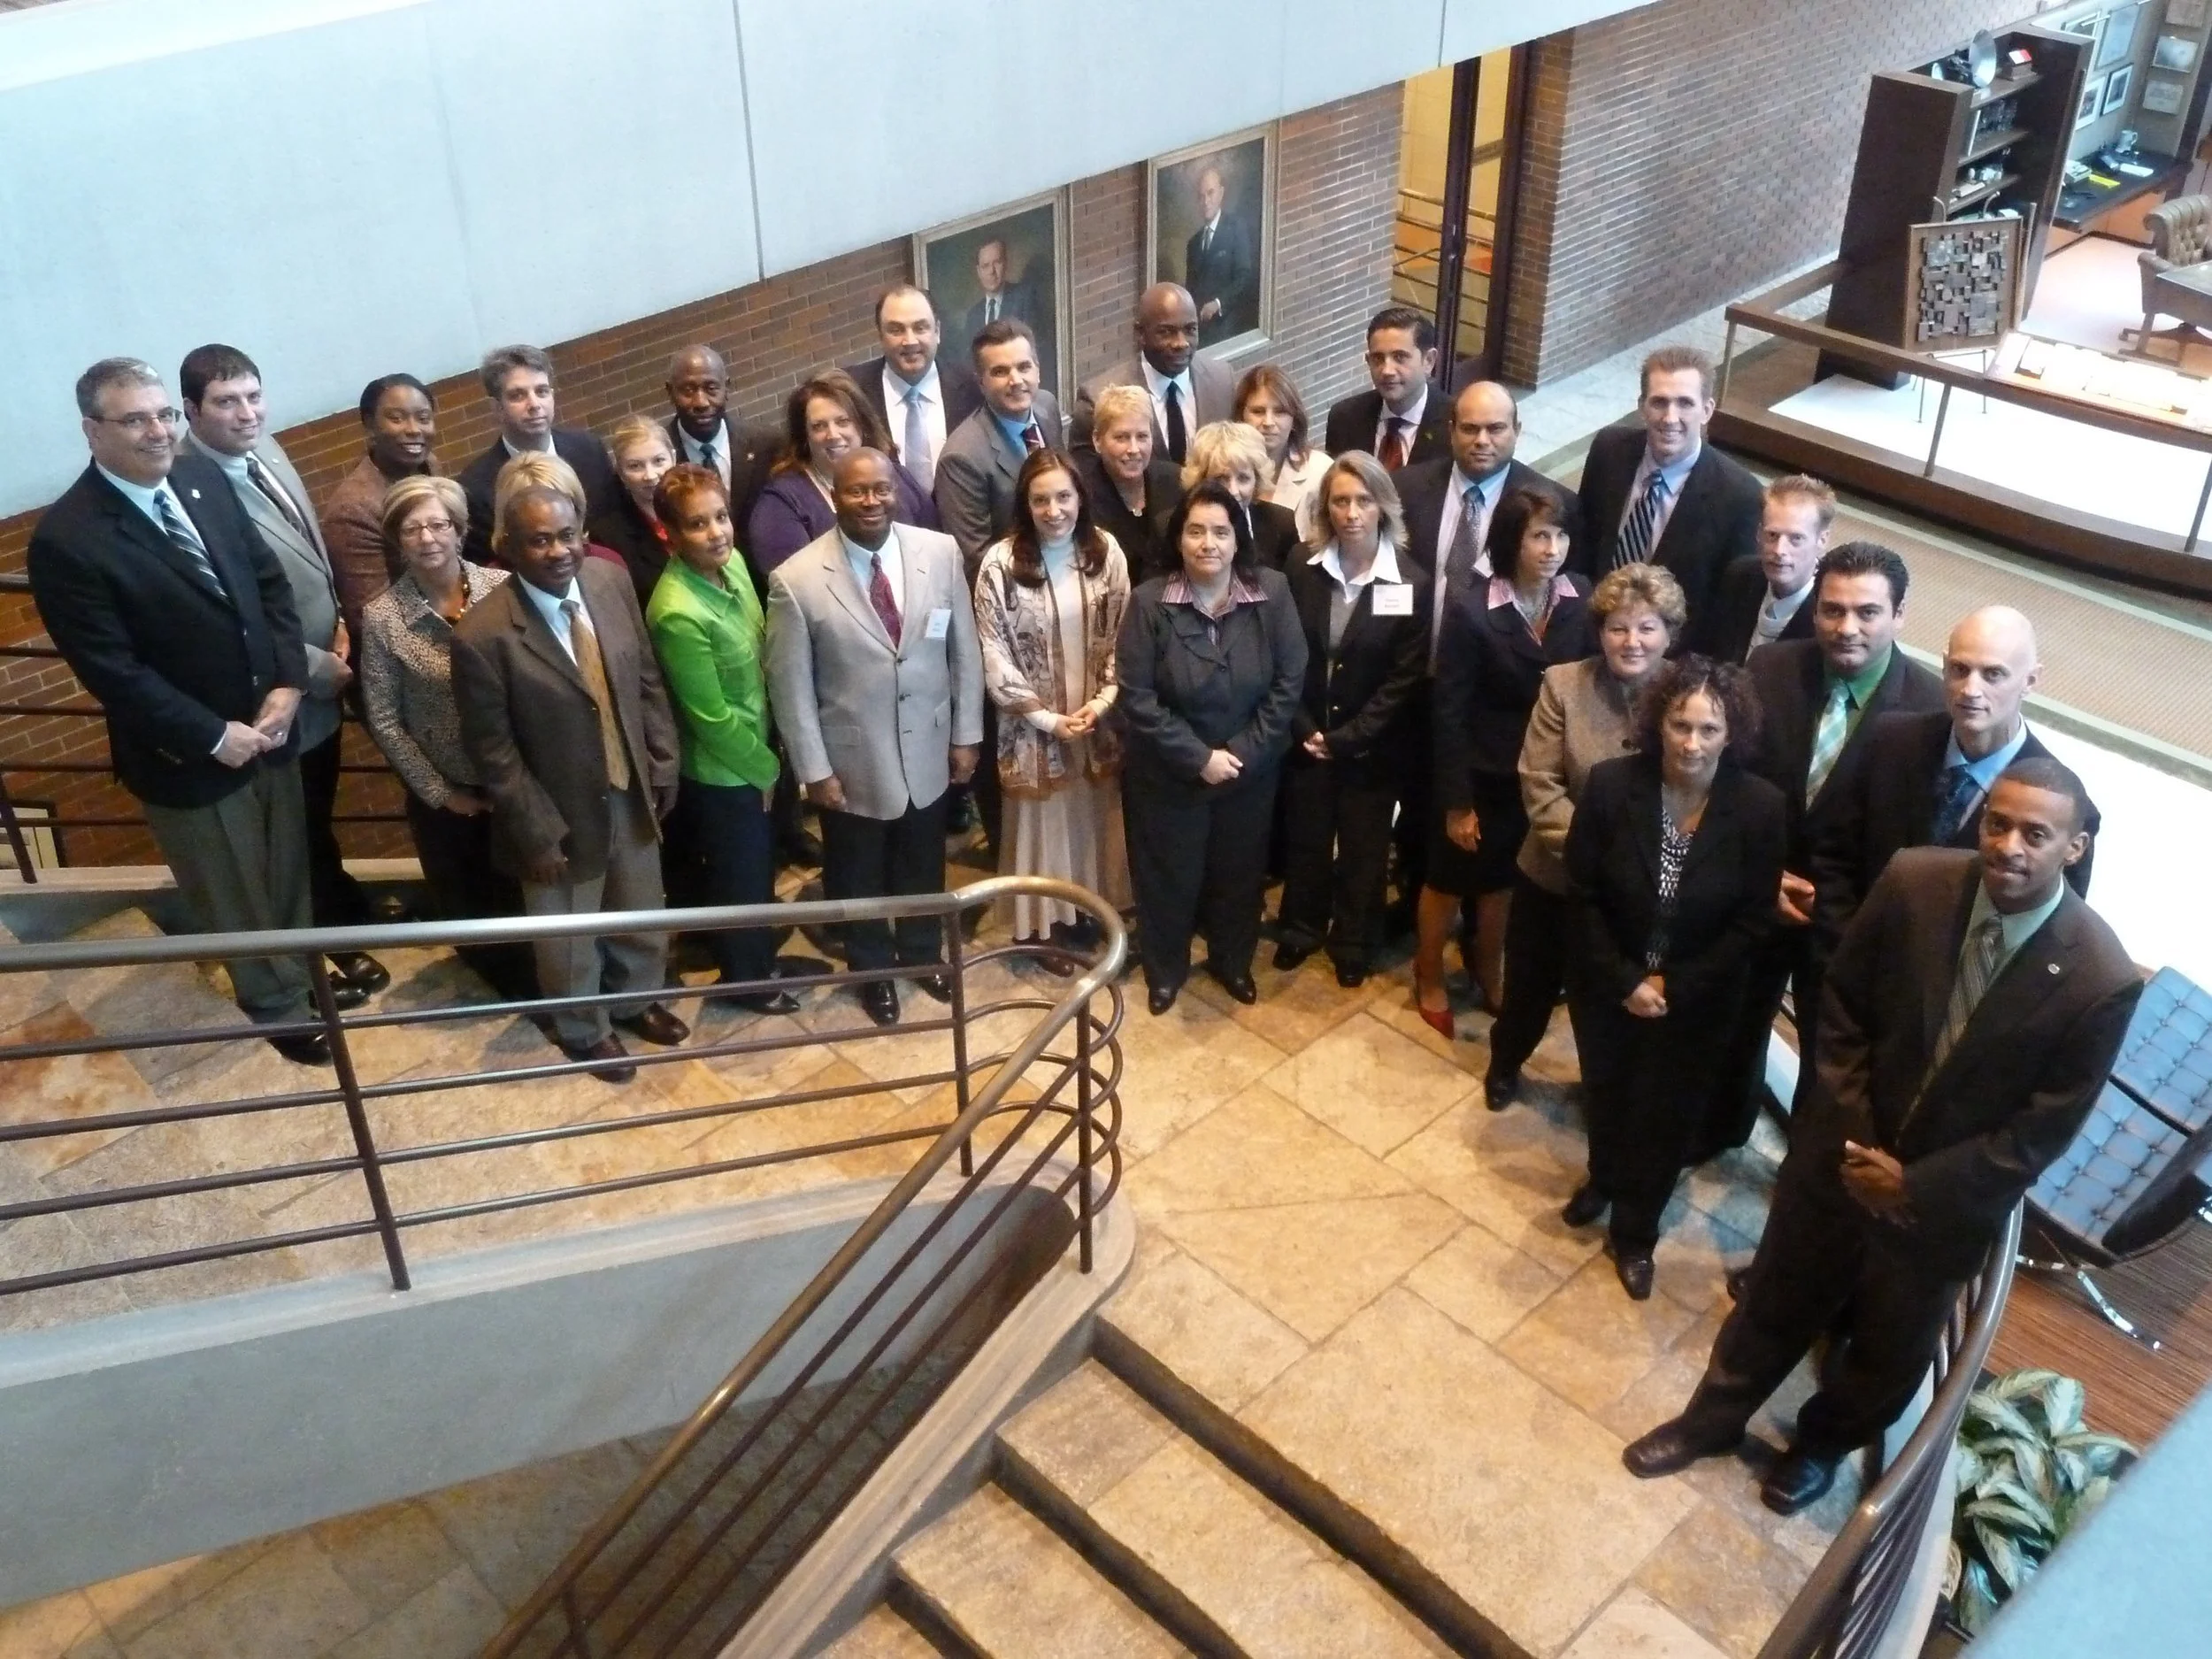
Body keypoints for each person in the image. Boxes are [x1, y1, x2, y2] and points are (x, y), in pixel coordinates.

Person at [1624, 758, 2139, 1515]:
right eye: (1998, 822)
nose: (2009, 845)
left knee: (1886, 1349)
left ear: (2076, 846)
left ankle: (1820, 1447)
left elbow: (2042, 1126)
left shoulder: (2101, 977)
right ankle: (1711, 1420)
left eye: (2037, 833)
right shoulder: (1914, 882)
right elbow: (1844, 1011)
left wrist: (1913, 1184)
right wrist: (1857, 1146)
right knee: (1774, 1299)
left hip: (1936, 1210)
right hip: (1840, 1160)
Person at [28, 358, 333, 1064]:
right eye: (135, 418)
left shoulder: (199, 480)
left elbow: (268, 587)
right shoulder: (68, 540)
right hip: (191, 755)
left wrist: (288, 686)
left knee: (286, 867)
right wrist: (209, 734)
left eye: (164, 414)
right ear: (92, 430)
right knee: (234, 889)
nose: (158, 430)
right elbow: (112, 670)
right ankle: (275, 1005)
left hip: (271, 724)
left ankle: (299, 974)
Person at [1563, 657, 1787, 1298]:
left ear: (1731, 734)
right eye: (1680, 724)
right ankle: (1602, 1178)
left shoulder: (1761, 808)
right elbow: (1581, 896)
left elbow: (1752, 922)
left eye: (1709, 730)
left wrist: (1672, 986)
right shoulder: (1610, 786)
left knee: (1665, 1118)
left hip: (1698, 1001)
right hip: (1609, 986)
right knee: (1606, 1092)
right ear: (1657, 721)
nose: (1692, 743)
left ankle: (1635, 1231)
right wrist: (1626, 979)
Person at [451, 484, 688, 1082]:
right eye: (539, 539)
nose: (558, 550)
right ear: (508, 546)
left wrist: (660, 761)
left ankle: (636, 999)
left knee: (640, 908)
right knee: (570, 938)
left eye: (566, 535)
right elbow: (495, 752)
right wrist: (534, 833)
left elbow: (645, 678)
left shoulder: (609, 585)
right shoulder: (483, 636)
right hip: (556, 813)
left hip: (629, 783)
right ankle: (585, 1029)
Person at [1715, 542, 1944, 1154]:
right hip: (1760, 900)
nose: (1847, 628)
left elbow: (1918, 839)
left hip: (1849, 930)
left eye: (1867, 612)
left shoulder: (1931, 708)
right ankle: (1716, 1133)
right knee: (1732, 1031)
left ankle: (1802, 1172)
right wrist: (1762, 878)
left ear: (1900, 615)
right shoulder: (1769, 669)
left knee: (1827, 1069)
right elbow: (1732, 785)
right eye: (1832, 610)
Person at [178, 342, 388, 999]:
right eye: (226, 402)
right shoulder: (188, 484)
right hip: (282, 686)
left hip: (330, 660)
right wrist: (315, 665)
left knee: (317, 811)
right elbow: (230, 611)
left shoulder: (266, 449)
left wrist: (344, 623)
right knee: (290, 828)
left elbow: (305, 552)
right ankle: (321, 939)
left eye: (253, 396)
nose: (247, 413)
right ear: (191, 411)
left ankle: (339, 909)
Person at [764, 449, 985, 1026]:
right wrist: (815, 769)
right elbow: (791, 689)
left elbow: (964, 647)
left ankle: (920, 954)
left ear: (895, 490)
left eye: (880, 489)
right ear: (835, 496)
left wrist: (967, 733)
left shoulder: (938, 553)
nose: (871, 501)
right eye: (857, 491)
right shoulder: (797, 581)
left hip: (930, 747)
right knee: (857, 873)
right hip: (851, 760)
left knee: (923, 862)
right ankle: (871, 970)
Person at [1486, 564, 1685, 1111]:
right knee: (1528, 990)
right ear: (1600, 631)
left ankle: (1603, 1093)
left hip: (1636, 900)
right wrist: (1604, 860)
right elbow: (1540, 783)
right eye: (1618, 627)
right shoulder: (1564, 684)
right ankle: (1505, 1066)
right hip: (1553, 878)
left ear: (1669, 634)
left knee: (1607, 1005)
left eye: (1647, 628)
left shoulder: (1686, 697)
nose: (1632, 641)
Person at [1810, 605, 2097, 966]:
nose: (1970, 690)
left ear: (2030, 681)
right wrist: (1843, 955)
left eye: (1993, 675)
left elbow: (2048, 928)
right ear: (1944, 665)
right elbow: (1834, 856)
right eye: (1960, 670)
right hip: (1847, 967)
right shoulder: (1889, 741)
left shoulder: (2060, 804)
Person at [1117, 480, 1306, 1014]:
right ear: (1178, 539)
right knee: (1167, 878)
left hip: (1249, 773)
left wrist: (1241, 754)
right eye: (1196, 531)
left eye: (1220, 532)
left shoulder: (1272, 592)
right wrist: (1199, 758)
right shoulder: (1149, 602)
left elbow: (1290, 680)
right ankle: (1165, 970)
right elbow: (1137, 697)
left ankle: (1232, 961)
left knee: (1239, 875)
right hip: (1169, 775)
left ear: (1237, 539)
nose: (1208, 543)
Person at [1419, 488, 1594, 1032]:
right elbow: (1447, 711)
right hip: (1481, 775)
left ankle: (1489, 971)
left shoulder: (1580, 597)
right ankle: (1427, 976)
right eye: (1539, 535)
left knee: (1505, 882)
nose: (1552, 548)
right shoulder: (1474, 611)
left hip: (1539, 777)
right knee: (1448, 881)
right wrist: (1456, 803)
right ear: (1512, 539)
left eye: (1560, 535)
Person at [357, 476, 537, 1002]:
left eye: (438, 524)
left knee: (536, 893)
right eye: (412, 529)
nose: (428, 537)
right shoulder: (384, 619)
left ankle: (555, 985)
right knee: (479, 906)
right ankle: (517, 992)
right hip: (454, 798)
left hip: (519, 779)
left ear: (459, 531)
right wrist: (442, 795)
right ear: (397, 540)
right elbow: (386, 719)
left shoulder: (503, 588)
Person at [644, 464, 799, 1014]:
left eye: (720, 517)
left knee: (759, 872)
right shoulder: (676, 612)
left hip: (762, 750)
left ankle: (756, 952)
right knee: (740, 879)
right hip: (727, 771)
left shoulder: (731, 565)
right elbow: (708, 718)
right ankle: (748, 983)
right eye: (697, 525)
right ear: (670, 533)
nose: (716, 533)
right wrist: (765, 770)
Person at [972, 450, 1133, 966]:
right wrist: (1045, 718)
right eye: (1040, 499)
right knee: (1046, 825)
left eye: (1064, 496)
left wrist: (1102, 701)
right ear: (1025, 504)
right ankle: (1043, 927)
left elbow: (1123, 633)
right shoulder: (999, 564)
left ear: (1080, 498)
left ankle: (1089, 910)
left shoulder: (1105, 550)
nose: (1054, 509)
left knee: (1091, 818)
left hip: (1095, 718)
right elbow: (992, 650)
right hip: (1034, 727)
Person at [1274, 453, 1427, 986]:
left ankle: (1353, 942)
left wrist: (1348, 738)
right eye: (1341, 500)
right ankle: (1300, 929)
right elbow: (1286, 655)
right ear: (1326, 507)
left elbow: (1402, 680)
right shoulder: (1302, 566)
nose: (1352, 512)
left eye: (1363, 500)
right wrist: (1304, 727)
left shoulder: (1409, 581)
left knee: (1364, 850)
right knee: (1308, 840)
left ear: (1383, 505)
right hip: (1308, 733)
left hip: (1371, 746)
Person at [935, 318, 1067, 854]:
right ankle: (1009, 853)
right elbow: (974, 561)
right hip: (1006, 625)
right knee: (1007, 744)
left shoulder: (1051, 410)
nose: (1016, 380)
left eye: (1025, 366)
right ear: (981, 380)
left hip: (1065, 608)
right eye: (1000, 371)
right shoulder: (963, 456)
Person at [1573, 345, 1762, 630]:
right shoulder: (1608, 451)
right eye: (1659, 402)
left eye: (1685, 403)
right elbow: (1582, 543)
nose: (1670, 418)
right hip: (1595, 627)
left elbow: (1729, 606)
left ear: (1707, 409)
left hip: (1672, 656)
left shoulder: (1740, 495)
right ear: (1642, 406)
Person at [1397, 380, 1583, 666]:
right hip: (1410, 670)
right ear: (1451, 431)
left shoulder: (1553, 504)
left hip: (1492, 687)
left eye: (1495, 428)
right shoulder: (1405, 489)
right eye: (1470, 428)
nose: (1482, 440)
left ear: (1516, 431)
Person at [748, 371, 939, 576]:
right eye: (819, 426)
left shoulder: (895, 475)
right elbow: (798, 586)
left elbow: (934, 547)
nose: (833, 435)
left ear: (861, 425)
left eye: (843, 421)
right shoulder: (780, 505)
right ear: (805, 437)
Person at [456, 344, 620, 566]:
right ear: (496, 407)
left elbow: (615, 528)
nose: (534, 404)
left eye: (541, 391)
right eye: (517, 395)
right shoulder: (475, 489)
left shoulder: (589, 450)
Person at [319, 373, 437, 638]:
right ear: (370, 426)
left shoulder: (428, 468)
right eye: (397, 418)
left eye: (423, 418)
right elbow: (372, 618)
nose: (414, 429)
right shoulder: (352, 510)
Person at [1071, 282, 1235, 463]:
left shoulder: (1222, 381)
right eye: (1166, 332)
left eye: (1190, 330)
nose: (1181, 343)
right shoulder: (1096, 400)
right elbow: (1086, 480)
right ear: (1140, 334)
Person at [844, 285, 985, 494]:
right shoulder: (851, 393)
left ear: (937, 331)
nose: (909, 341)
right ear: (880, 335)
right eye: (896, 330)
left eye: (920, 328)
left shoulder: (974, 387)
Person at [1686, 475, 1832, 662]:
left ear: (1822, 540)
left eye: (1796, 539)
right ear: (1758, 534)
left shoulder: (1828, 607)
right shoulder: (1741, 577)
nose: (1780, 550)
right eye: (1772, 535)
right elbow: (1707, 654)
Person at [1072, 385, 1182, 580]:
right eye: (1122, 438)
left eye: (1142, 437)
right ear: (1097, 441)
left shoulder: (1175, 480)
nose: (1134, 449)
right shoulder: (1081, 499)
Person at [664, 343, 774, 532]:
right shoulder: (660, 459)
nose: (701, 402)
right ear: (670, 392)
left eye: (711, 388)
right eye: (688, 391)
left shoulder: (767, 444)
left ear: (727, 388)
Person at [1322, 307, 1449, 470]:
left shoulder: (1454, 425)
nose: (1387, 370)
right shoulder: (1345, 418)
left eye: (1399, 357)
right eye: (1378, 358)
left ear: (1429, 360)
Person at [1170, 421, 1302, 574]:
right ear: (1200, 481)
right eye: (1221, 479)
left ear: (1257, 480)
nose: (1233, 491)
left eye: (1243, 478)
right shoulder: (1170, 525)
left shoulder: (1282, 523)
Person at [590, 414, 677, 610]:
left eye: (659, 461)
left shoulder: (699, 505)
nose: (650, 475)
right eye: (635, 466)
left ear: (673, 457)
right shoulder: (607, 536)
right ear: (620, 472)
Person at [1236, 364, 1331, 542]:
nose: (1268, 422)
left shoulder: (1321, 471)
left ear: (1294, 419)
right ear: (1240, 416)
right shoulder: (1222, 471)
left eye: (1280, 412)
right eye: (1258, 411)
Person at [1186, 165, 1259, 345]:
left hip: (1227, 329)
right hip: (1201, 336)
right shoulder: (1193, 244)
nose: (1206, 201)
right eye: (1201, 196)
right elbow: (1191, 291)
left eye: (1210, 193)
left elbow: (1244, 277)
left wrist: (1218, 304)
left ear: (1221, 193)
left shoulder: (1236, 228)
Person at [960, 238, 1039, 342]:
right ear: (979, 271)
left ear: (1005, 264)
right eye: (985, 266)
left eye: (997, 263)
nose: (992, 271)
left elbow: (1033, 345)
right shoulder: (973, 315)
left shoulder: (1024, 298)